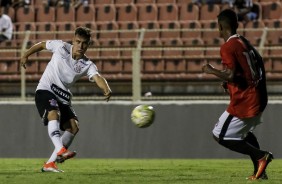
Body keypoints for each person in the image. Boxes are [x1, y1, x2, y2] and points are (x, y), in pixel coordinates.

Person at [20, 27, 112, 172]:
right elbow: (42, 45)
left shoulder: (87, 64)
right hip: (46, 90)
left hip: (62, 97)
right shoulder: (61, 46)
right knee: (53, 113)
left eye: (84, 43)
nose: (80, 46)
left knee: (73, 127)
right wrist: (25, 55)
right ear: (73, 40)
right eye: (78, 42)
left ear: (88, 45)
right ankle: (60, 150)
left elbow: (97, 77)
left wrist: (105, 88)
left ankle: (50, 164)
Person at [202, 9, 272, 180]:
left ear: (220, 27)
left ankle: (261, 156)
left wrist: (211, 71)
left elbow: (230, 74)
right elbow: (258, 64)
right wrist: (231, 83)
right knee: (244, 133)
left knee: (219, 135)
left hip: (245, 101)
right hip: (259, 97)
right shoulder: (244, 42)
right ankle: (260, 171)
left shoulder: (228, 46)